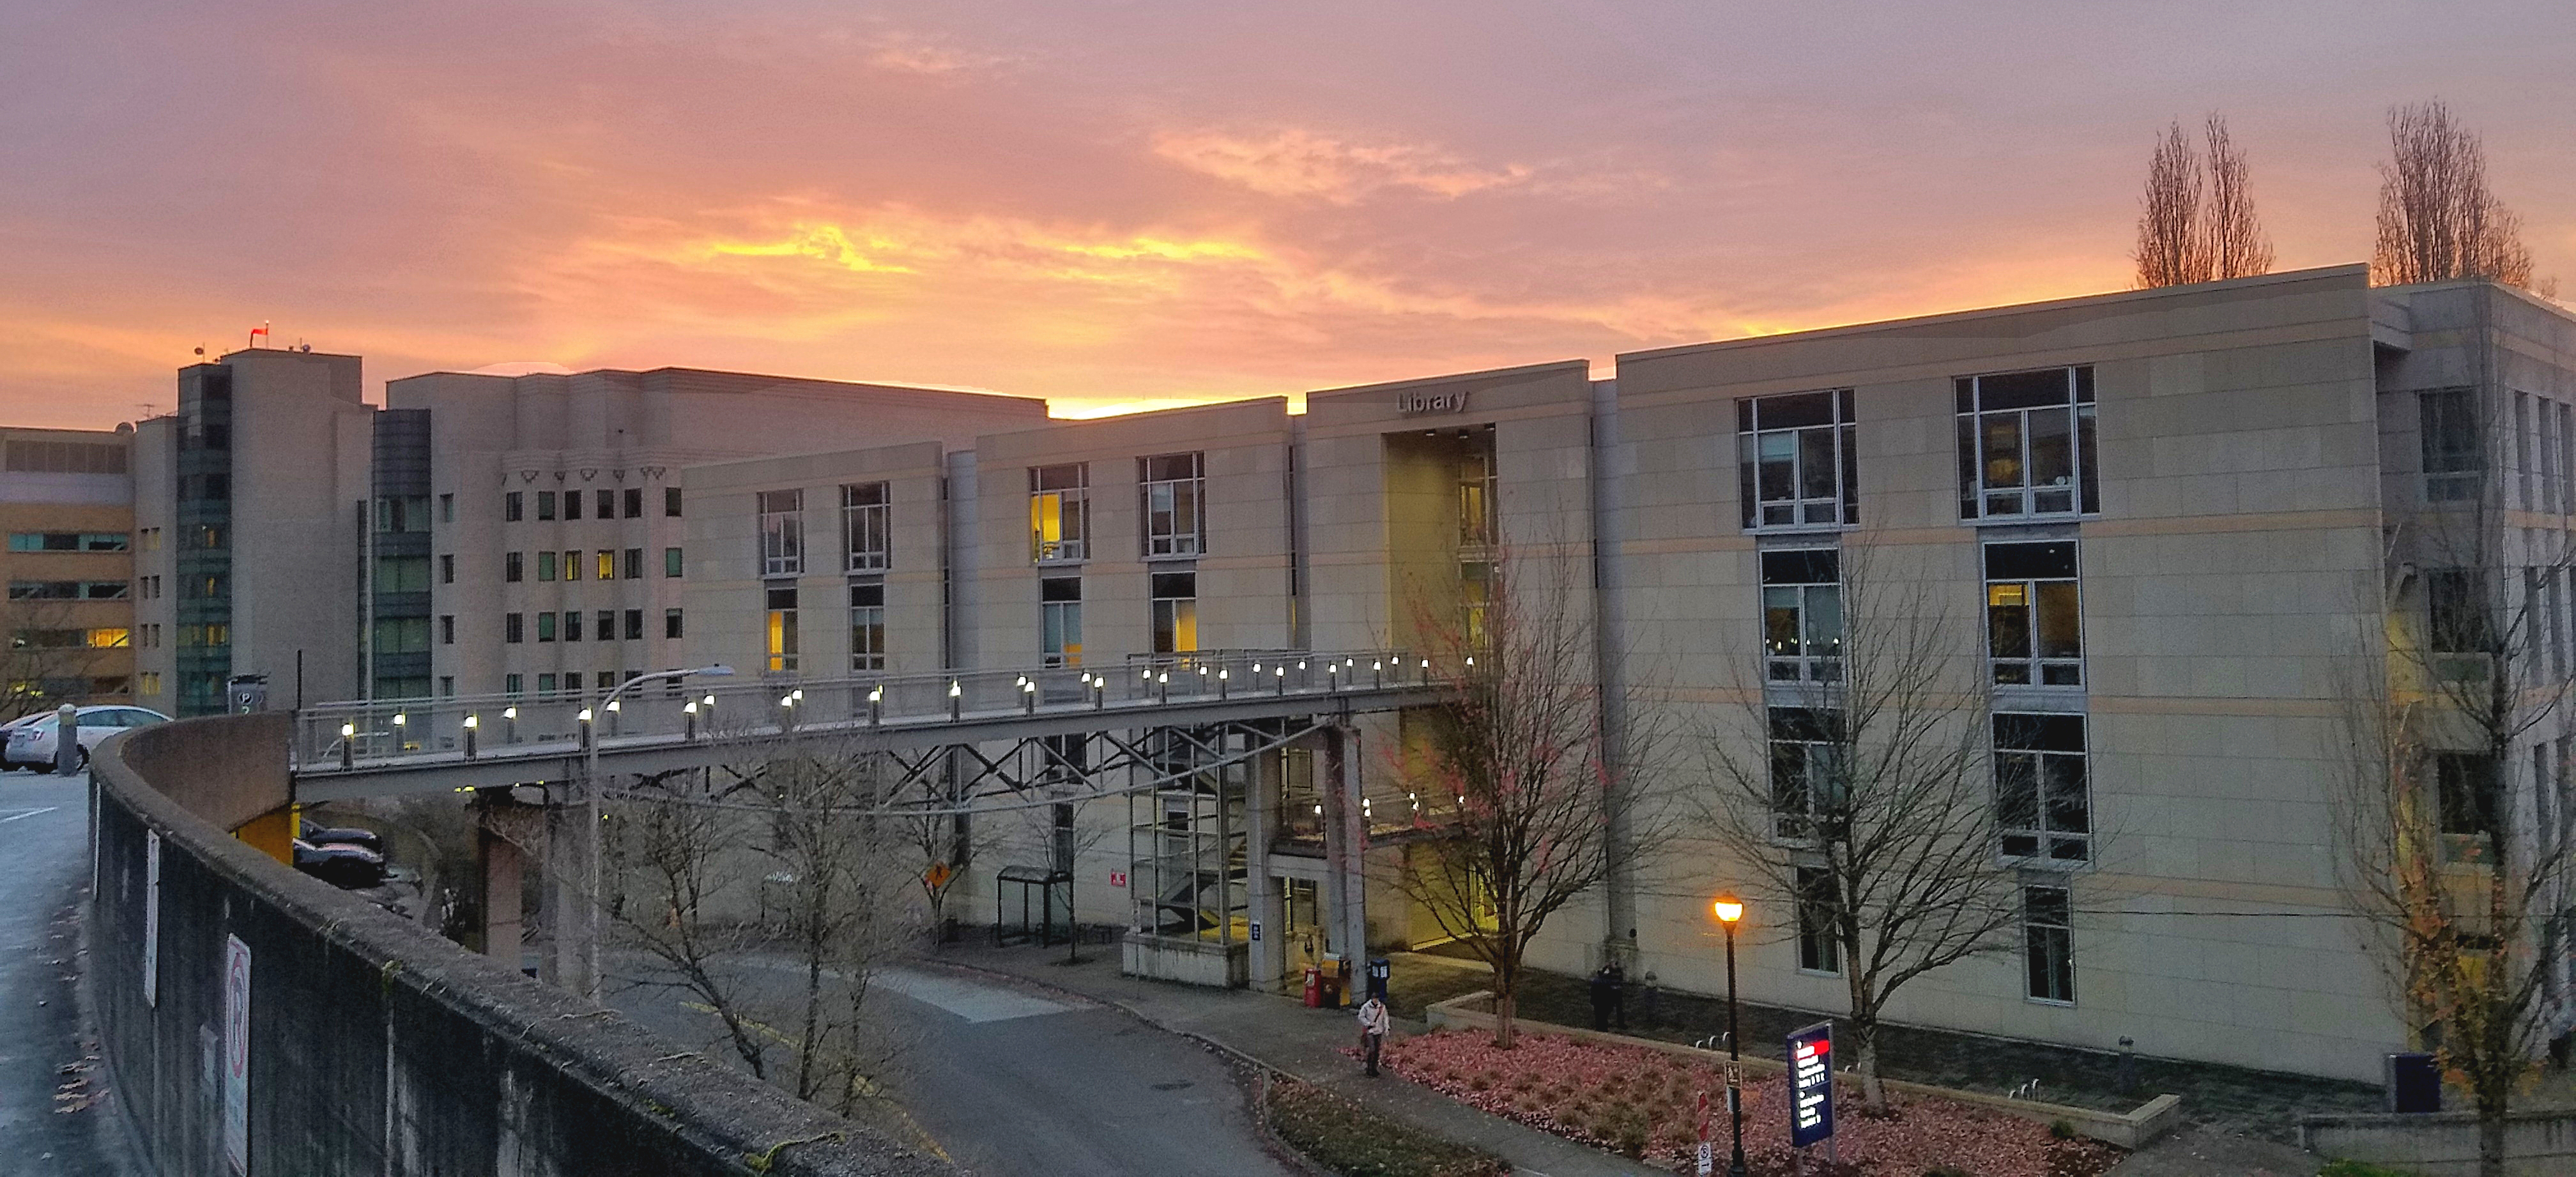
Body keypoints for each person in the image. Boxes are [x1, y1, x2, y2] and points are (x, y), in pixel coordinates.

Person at [1356, 993, 1390, 1076]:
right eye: (1374, 999)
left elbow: (1385, 1018)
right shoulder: (1366, 1007)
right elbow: (1361, 1017)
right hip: (1370, 1031)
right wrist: (1368, 1023)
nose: (1375, 1000)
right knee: (1372, 1050)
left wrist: (1387, 1028)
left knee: (1377, 1051)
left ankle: (1374, 1068)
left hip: (1379, 1031)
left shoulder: (1382, 1007)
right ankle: (1369, 1068)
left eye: (1377, 999)